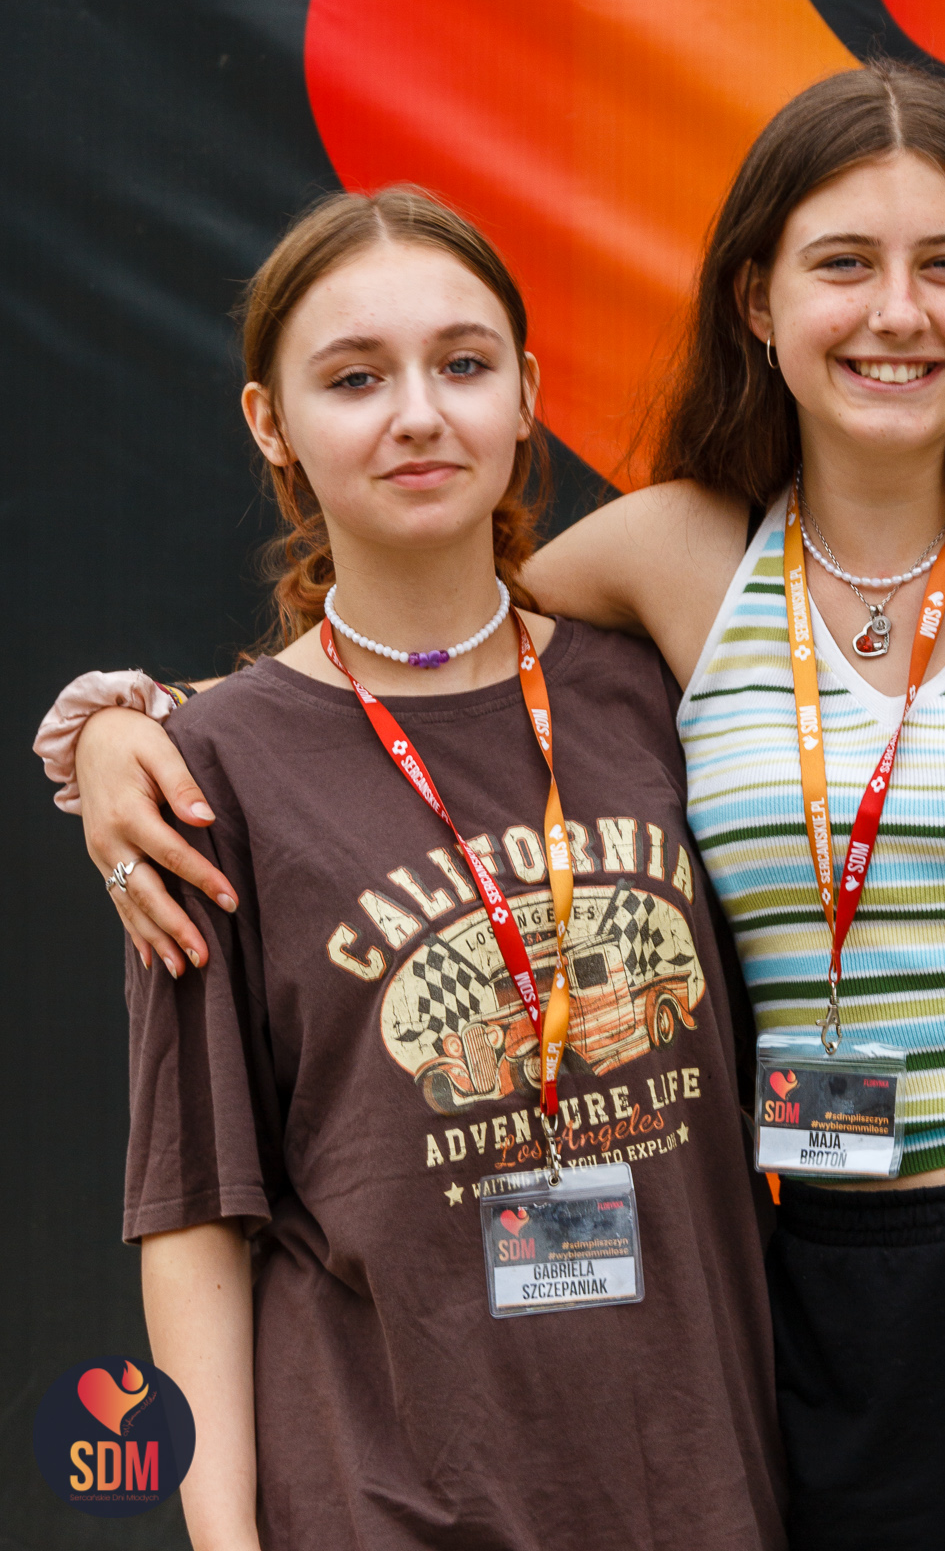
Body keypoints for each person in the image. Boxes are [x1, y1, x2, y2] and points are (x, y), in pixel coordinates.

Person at [42, 67, 945, 1549]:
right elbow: (400, 651)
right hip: (864, 1295)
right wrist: (126, 726)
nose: (896, 313)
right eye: (843, 263)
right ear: (758, 300)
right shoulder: (673, 563)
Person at [48, 187, 785, 1551]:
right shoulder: (203, 776)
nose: (418, 414)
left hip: (700, 1488)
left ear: (526, 395)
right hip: (384, 1504)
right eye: (354, 378)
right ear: (270, 422)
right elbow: (196, 1214)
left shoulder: (659, 686)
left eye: (462, 363)